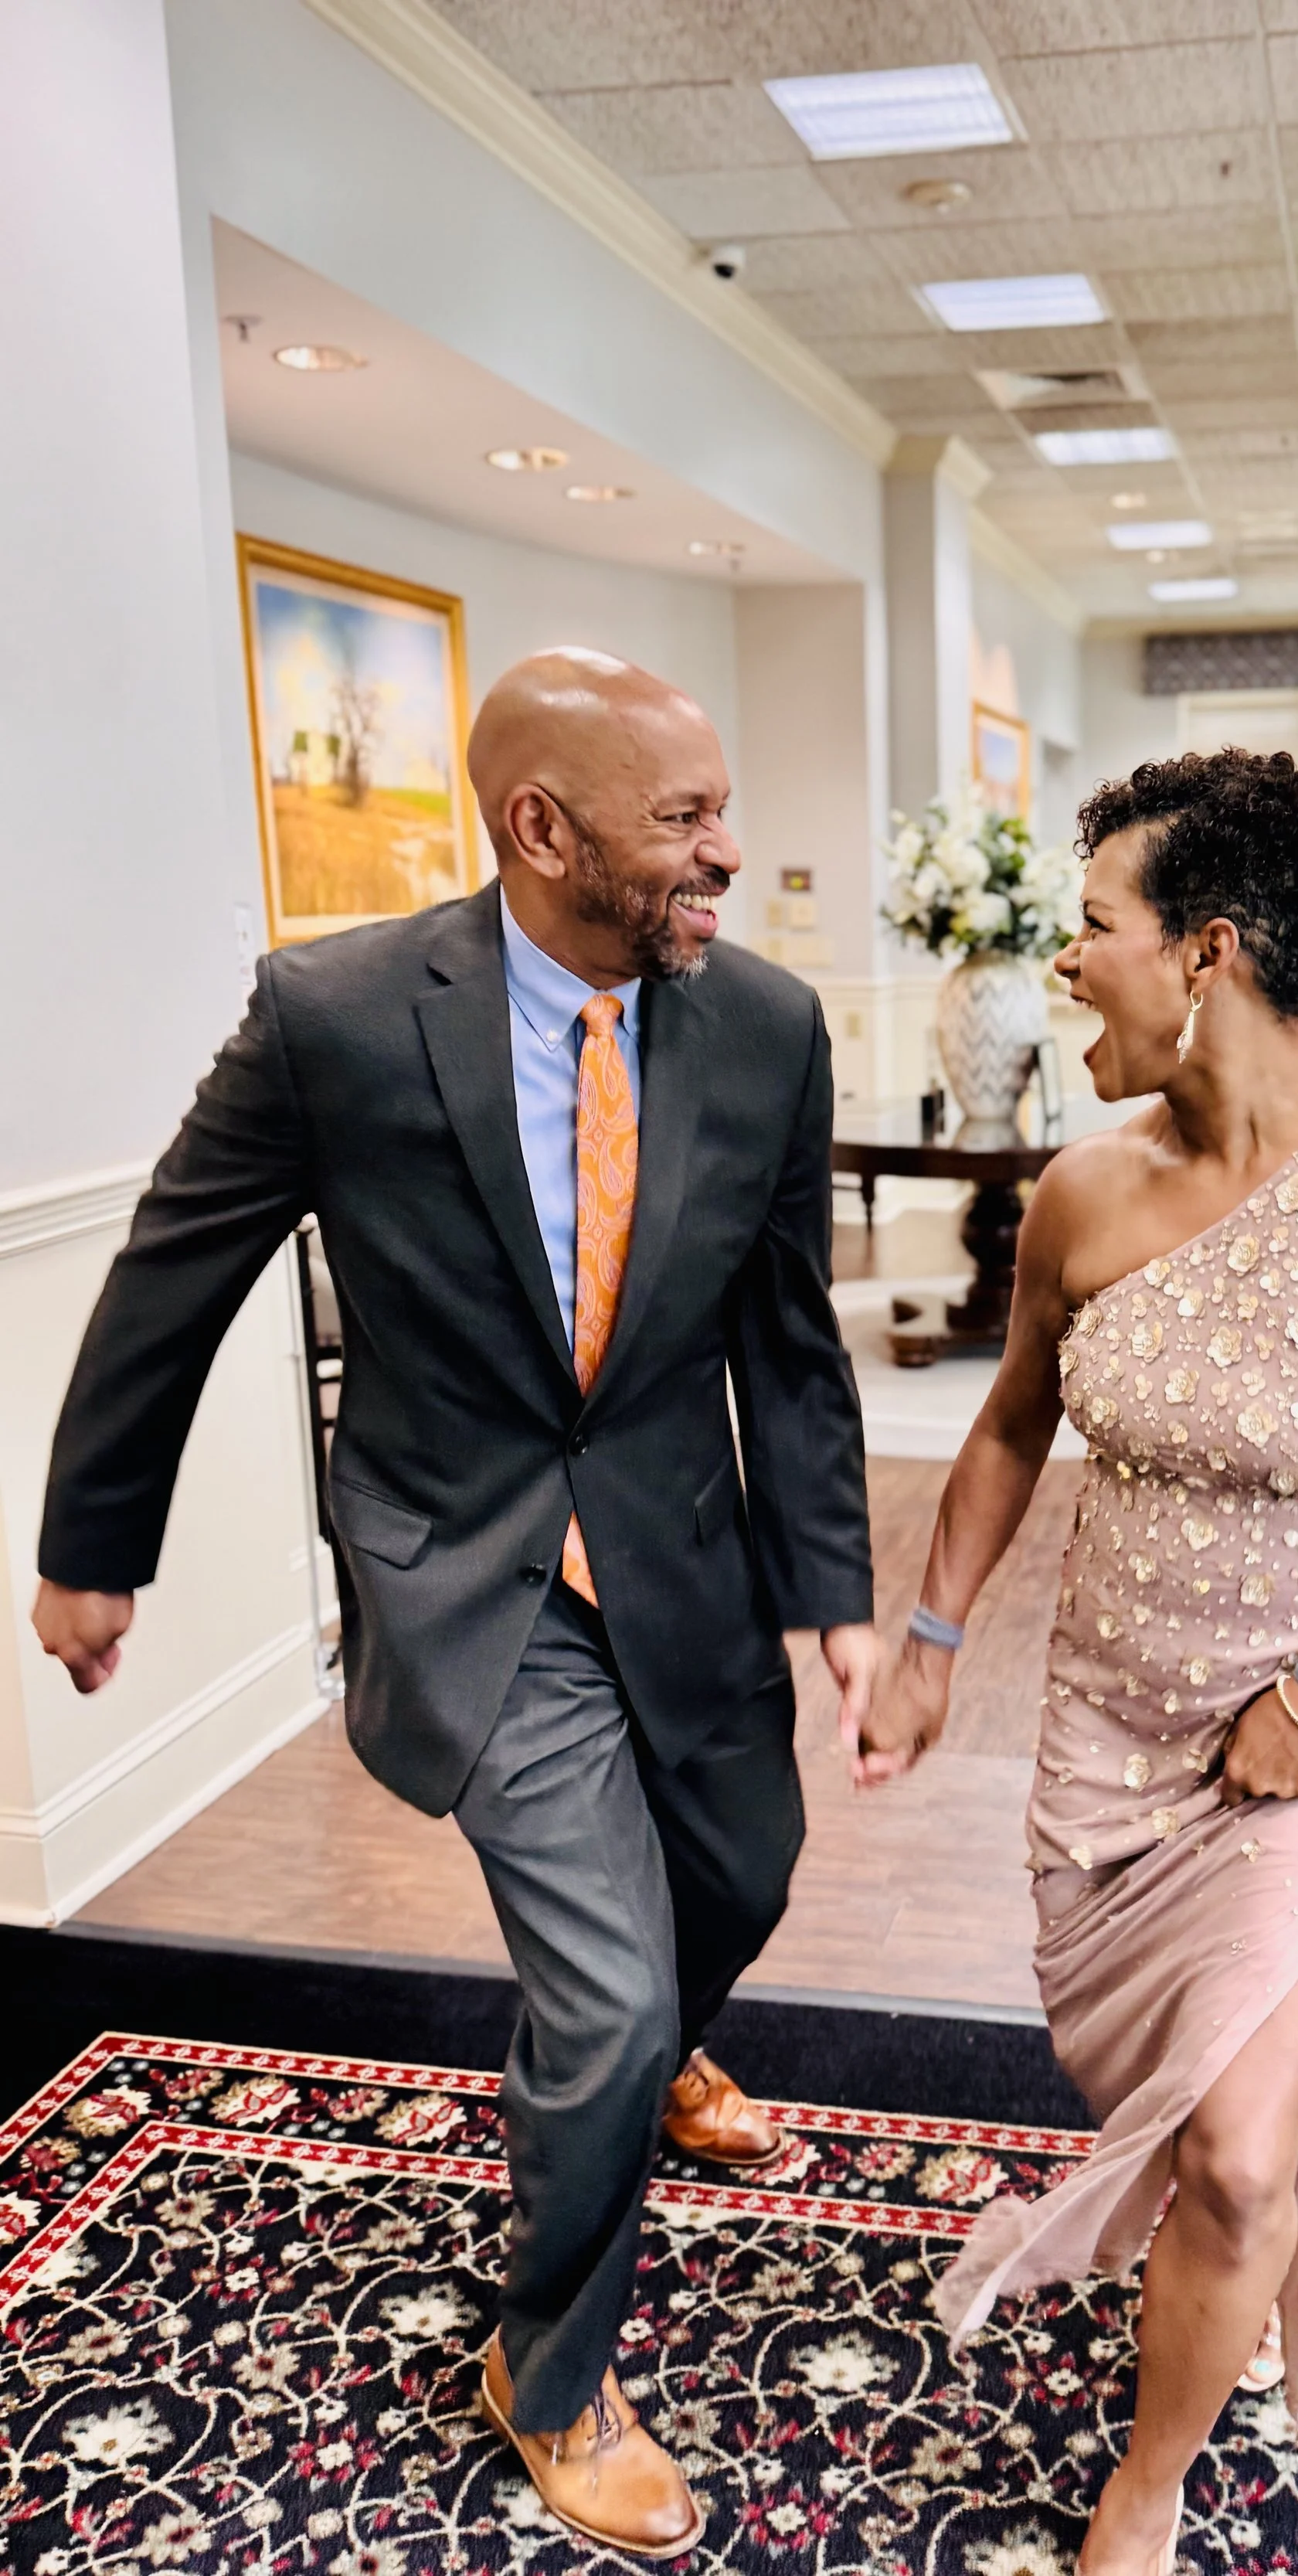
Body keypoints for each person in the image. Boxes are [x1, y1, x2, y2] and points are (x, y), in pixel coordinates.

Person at [33, 648, 878, 2560]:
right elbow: (176, 1273)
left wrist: (830, 1587)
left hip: (675, 1547)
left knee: (738, 1872)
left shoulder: (762, 1024)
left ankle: (653, 2066)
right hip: (466, 1569)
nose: (724, 854)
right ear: (541, 829)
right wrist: (95, 1541)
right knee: (605, 1986)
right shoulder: (332, 1014)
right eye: (683, 823)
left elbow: (791, 1340)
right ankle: (552, 2372)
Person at [855, 748, 1298, 2576]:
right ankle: (1208, 2271)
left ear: (1209, 951)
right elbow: (1008, 1428)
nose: (1064, 961)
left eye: (1092, 927)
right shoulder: (1081, 1197)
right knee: (1163, 2110)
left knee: (1234, 2150)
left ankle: (1146, 2478)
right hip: (1107, 1738)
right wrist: (932, 1637)